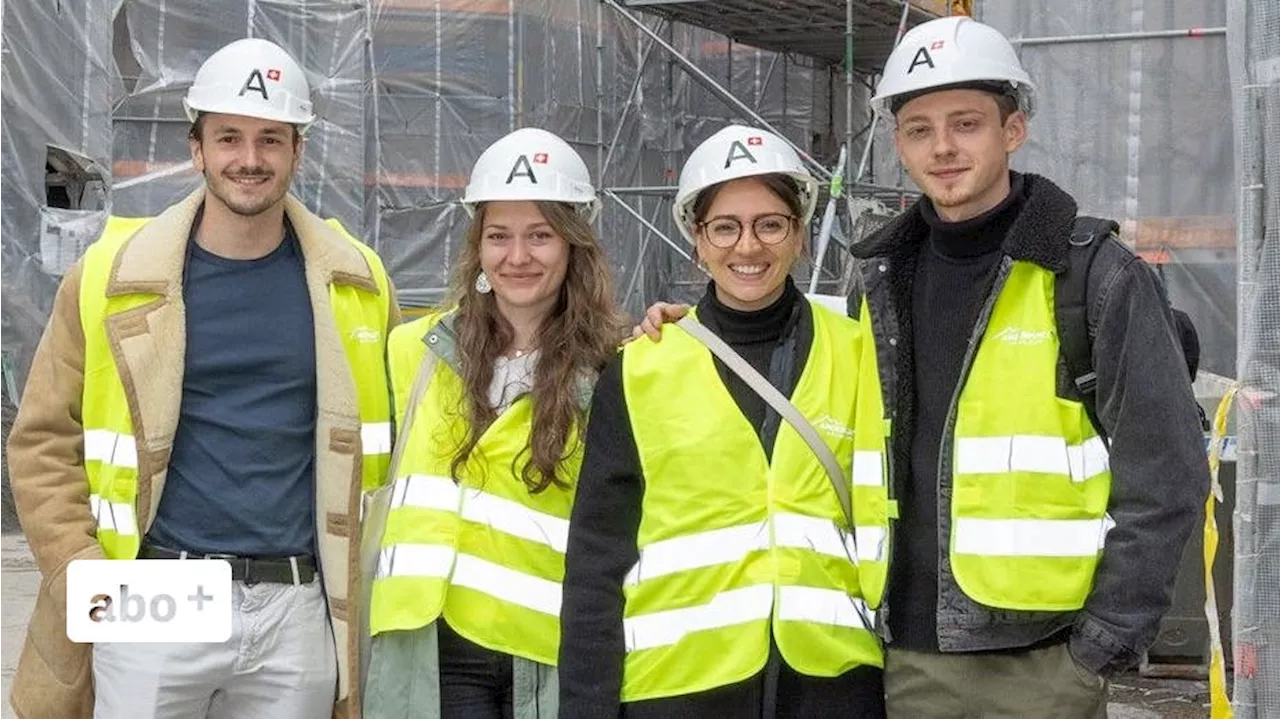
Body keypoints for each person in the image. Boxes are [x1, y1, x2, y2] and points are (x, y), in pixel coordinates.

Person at [636, 16, 1209, 718]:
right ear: (899, 143)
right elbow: (782, 339)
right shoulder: (875, 278)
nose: (942, 147)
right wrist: (687, 327)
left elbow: (1169, 468)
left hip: (1044, 662)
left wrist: (1102, 644)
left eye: (965, 123)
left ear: (1013, 129)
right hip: (906, 656)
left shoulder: (1087, 274)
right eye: (918, 129)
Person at [6, 37, 399, 719]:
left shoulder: (357, 283)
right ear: (197, 149)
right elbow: (41, 439)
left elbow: (442, 368)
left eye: (271, 139)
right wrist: (82, 576)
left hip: (296, 601)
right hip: (157, 591)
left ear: (297, 151)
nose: (250, 159)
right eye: (230, 138)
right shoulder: (109, 277)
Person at [559, 124, 888, 718]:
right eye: (725, 227)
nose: (747, 247)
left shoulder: (861, 352)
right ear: (697, 241)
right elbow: (594, 564)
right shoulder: (639, 369)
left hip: (830, 686)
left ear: (800, 236)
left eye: (770, 223)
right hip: (679, 687)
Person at [362, 127, 627, 719]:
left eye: (540, 236)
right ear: (477, 247)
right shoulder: (415, 353)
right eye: (498, 236)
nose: (517, 256)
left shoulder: (615, 368)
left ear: (573, 246)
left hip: (546, 647)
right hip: (431, 644)